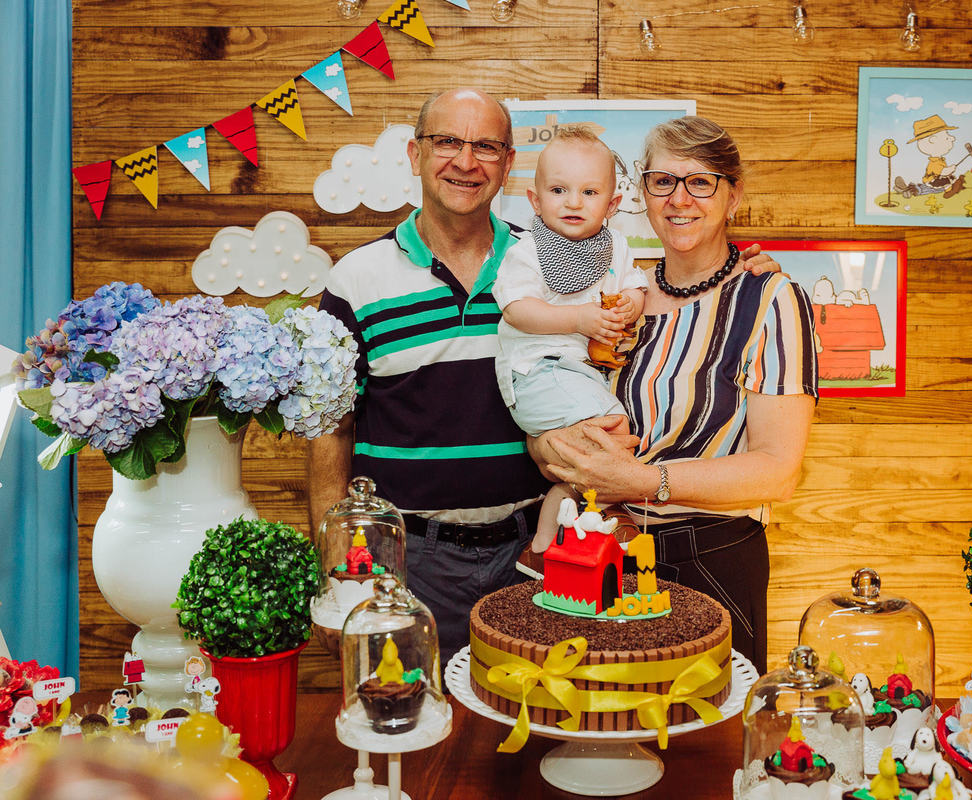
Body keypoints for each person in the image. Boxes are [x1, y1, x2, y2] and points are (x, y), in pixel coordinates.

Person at [310, 91, 778, 662]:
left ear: (508, 164)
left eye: (486, 146)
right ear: (415, 154)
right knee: (408, 706)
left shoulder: (549, 251)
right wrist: (337, 575)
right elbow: (329, 431)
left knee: (532, 710)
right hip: (409, 560)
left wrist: (742, 275)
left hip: (538, 553)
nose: (466, 161)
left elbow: (660, 293)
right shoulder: (357, 279)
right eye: (447, 142)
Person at [529, 116, 819, 673]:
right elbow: (551, 398)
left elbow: (779, 471)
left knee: (700, 720)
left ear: (734, 196)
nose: (679, 199)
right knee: (600, 711)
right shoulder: (617, 292)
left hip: (709, 558)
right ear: (642, 193)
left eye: (701, 182)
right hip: (598, 553)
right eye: (663, 181)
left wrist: (641, 482)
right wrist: (550, 450)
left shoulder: (770, 298)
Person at [493, 125, 647, 555]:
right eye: (559, 190)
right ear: (535, 200)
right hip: (538, 370)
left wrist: (630, 304)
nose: (573, 202)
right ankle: (613, 511)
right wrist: (578, 319)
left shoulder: (615, 247)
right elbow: (517, 309)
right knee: (610, 427)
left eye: (589, 192)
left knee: (587, 451)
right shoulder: (527, 252)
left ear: (612, 204)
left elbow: (635, 285)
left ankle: (545, 542)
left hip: (581, 374)